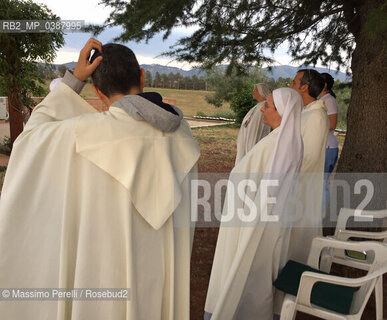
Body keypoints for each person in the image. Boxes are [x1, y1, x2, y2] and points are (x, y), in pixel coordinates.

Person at [0, 39, 200, 319]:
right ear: (142, 76)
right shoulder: (183, 137)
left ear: (97, 89)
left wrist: (73, 82)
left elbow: (30, 142)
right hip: (162, 281)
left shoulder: (82, 135)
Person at [204, 88, 304, 320]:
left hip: (254, 221)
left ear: (282, 112)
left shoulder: (274, 145)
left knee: (247, 271)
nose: (263, 109)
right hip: (269, 220)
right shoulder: (287, 141)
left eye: (268, 105)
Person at [288, 69, 329, 263]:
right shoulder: (305, 112)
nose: (290, 86)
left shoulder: (316, 117)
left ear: (304, 87)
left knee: (298, 239)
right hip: (294, 187)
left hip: (301, 188)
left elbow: (309, 157)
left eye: (294, 83)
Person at [235, 83, 271, 164]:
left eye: (255, 90)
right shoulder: (258, 107)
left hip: (253, 147)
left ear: (261, 92)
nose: (252, 92)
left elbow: (256, 131)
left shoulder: (262, 108)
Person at [319, 73, 339, 209]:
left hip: (328, 146)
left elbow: (332, 125)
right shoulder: (322, 100)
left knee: (322, 182)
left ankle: (322, 214)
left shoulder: (329, 100)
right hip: (324, 146)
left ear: (324, 85)